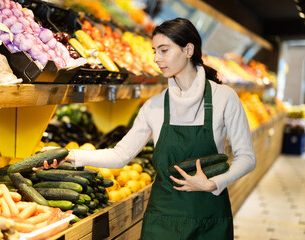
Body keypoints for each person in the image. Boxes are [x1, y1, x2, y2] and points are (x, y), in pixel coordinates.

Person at [38, 17, 256, 239]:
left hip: (209, 220)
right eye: (154, 51)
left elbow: (246, 157)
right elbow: (120, 155)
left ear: (188, 49)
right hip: (162, 219)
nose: (156, 59)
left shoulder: (224, 98)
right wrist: (70, 155)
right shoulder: (155, 105)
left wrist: (213, 183)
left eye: (163, 50)